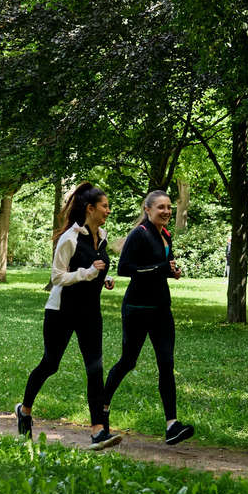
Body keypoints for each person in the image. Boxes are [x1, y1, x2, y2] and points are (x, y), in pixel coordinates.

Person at [15, 182, 121, 449]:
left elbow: (95, 265)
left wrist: (104, 277)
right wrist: (88, 273)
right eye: (104, 206)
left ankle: (98, 431)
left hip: (89, 312)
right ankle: (24, 410)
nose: (108, 210)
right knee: (50, 364)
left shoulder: (103, 236)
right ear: (90, 208)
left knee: (95, 370)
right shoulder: (70, 238)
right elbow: (57, 277)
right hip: (61, 311)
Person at [104, 189, 194, 445]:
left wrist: (171, 271)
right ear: (148, 209)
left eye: (168, 207)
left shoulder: (164, 234)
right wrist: (160, 269)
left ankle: (172, 425)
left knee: (166, 363)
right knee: (128, 362)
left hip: (161, 309)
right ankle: (102, 408)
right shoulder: (139, 234)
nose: (166, 212)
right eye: (161, 208)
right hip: (137, 308)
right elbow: (125, 269)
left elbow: (159, 268)